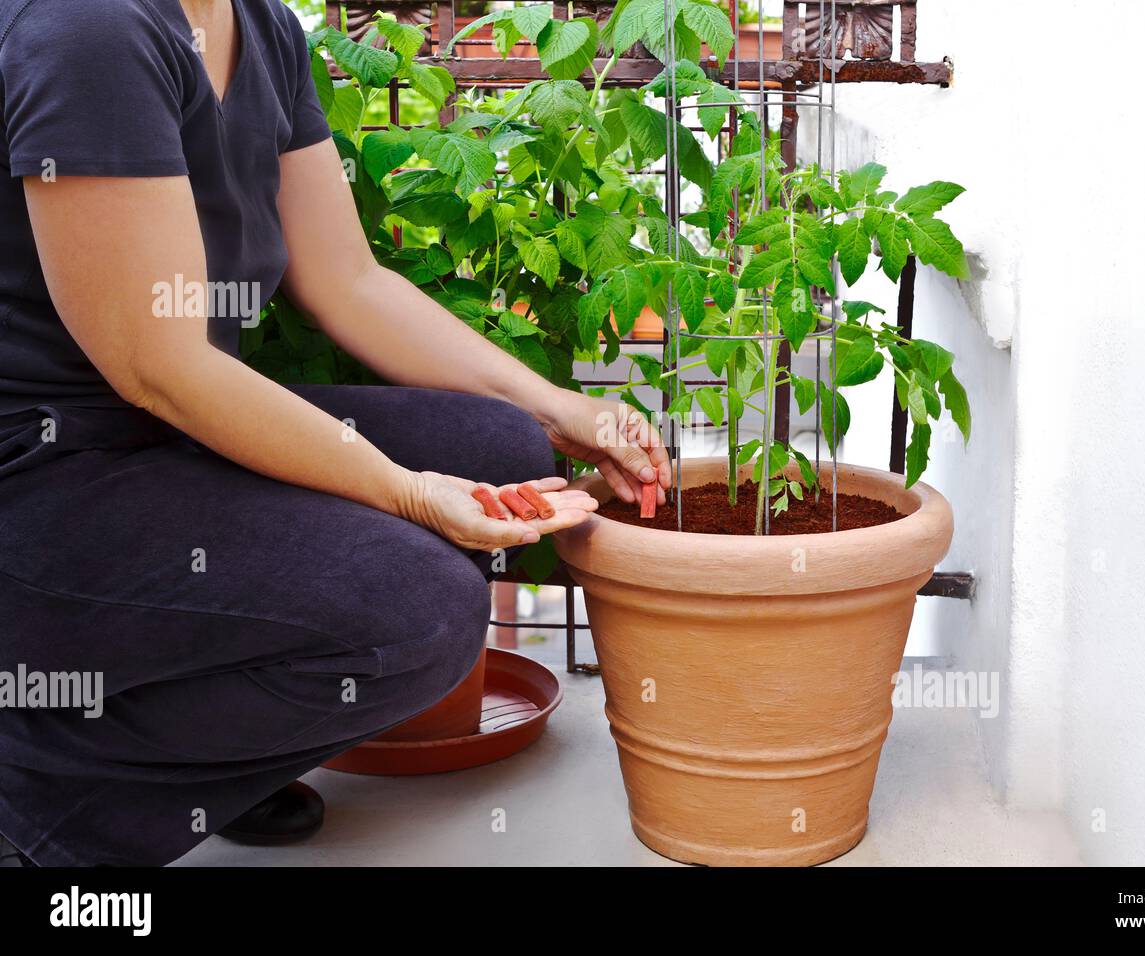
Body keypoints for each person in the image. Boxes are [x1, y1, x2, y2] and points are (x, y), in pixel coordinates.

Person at [0, 0, 669, 866]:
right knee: (419, 611)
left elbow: (347, 279)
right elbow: (156, 364)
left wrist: (562, 410)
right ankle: (38, 796)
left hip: (166, 431)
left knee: (501, 449)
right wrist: (406, 491)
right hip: (39, 473)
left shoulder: (261, 24)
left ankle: (201, 761)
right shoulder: (88, 27)